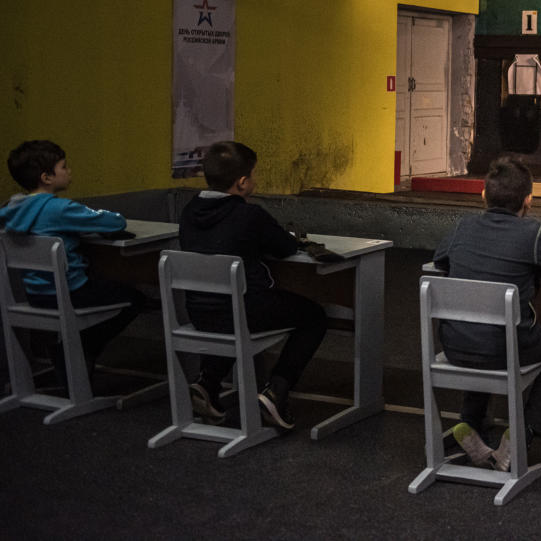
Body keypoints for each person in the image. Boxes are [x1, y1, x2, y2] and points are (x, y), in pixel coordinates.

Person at [433, 156, 541, 471]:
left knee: (479, 329)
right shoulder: (531, 234)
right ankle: (521, 436)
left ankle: (470, 424)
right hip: (505, 347)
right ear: (528, 200)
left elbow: (439, 259)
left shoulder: (463, 226)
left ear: (483, 196)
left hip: (454, 346)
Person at [178, 140, 327, 432]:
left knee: (227, 312)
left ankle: (207, 384)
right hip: (245, 310)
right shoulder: (249, 215)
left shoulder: (188, 211)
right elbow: (285, 247)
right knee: (314, 317)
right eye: (253, 175)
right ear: (242, 182)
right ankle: (276, 390)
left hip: (199, 311)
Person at [0, 140, 145, 383]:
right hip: (70, 292)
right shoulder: (60, 209)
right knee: (135, 299)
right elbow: (115, 222)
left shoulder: (11, 208)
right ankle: (79, 349)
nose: (69, 171)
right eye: (64, 167)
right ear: (47, 177)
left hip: (34, 293)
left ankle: (69, 354)